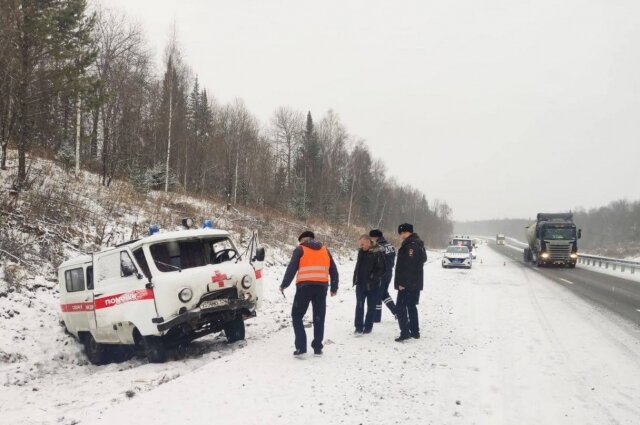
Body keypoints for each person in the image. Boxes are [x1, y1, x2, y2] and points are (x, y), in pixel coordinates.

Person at [280, 231, 339, 356]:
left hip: (304, 288)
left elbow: (291, 268)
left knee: (297, 316)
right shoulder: (325, 250)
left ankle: (301, 348)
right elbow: (333, 270)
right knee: (319, 317)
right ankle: (317, 348)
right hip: (321, 287)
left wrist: (284, 284)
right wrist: (334, 287)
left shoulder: (300, 249)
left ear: (302, 240)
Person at [394, 223, 427, 342]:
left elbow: (409, 266)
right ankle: (415, 331)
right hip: (415, 283)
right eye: (400, 233)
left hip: (408, 283)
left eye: (403, 233)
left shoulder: (411, 245)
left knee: (400, 307)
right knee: (411, 306)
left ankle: (405, 332)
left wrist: (403, 282)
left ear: (408, 232)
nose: (401, 235)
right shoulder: (417, 243)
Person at [352, 234, 386, 334]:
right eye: (360, 244)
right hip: (360, 284)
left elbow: (382, 269)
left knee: (371, 307)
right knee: (359, 305)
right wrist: (356, 278)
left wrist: (372, 279)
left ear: (368, 242)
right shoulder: (361, 251)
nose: (361, 246)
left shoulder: (378, 252)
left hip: (373, 285)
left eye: (362, 244)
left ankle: (368, 327)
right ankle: (358, 327)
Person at [369, 229, 396, 322]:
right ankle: (396, 312)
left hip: (380, 274)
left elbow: (372, 261)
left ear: (375, 237)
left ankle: (376, 318)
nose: (371, 239)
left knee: (377, 294)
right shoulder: (390, 246)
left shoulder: (377, 247)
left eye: (371, 237)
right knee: (384, 293)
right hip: (389, 273)